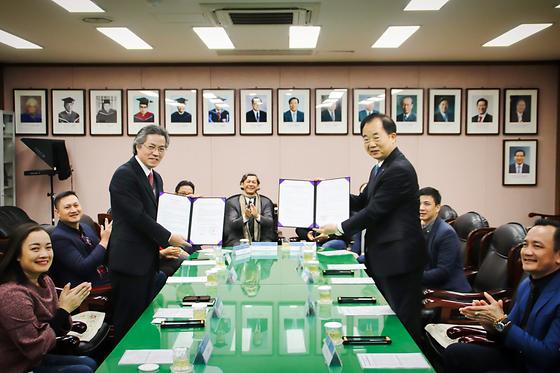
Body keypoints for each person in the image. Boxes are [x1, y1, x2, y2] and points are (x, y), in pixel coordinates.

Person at [315, 113, 427, 344]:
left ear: (393, 136)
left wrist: (337, 227)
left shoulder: (399, 169)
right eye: (365, 139)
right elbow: (363, 201)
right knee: (390, 319)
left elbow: (374, 212)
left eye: (376, 137)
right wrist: (327, 194)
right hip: (386, 256)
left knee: (403, 320)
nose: (371, 144)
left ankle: (413, 365)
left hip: (400, 259)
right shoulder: (380, 168)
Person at [443, 219, 560, 373]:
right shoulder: (527, 283)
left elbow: (547, 357)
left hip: (538, 367)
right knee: (455, 353)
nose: (527, 252)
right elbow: (507, 330)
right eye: (525, 245)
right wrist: (490, 323)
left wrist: (501, 321)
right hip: (516, 358)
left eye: (537, 246)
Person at [108, 125, 188, 341]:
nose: (156, 153)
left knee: (144, 319)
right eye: (151, 147)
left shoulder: (156, 177)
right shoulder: (124, 174)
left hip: (147, 260)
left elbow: (157, 215)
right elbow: (137, 216)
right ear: (137, 146)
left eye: (162, 149)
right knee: (128, 322)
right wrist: (169, 236)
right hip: (128, 262)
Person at [0, 223, 97, 373]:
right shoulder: (11, 296)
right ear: (17, 255)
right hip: (17, 366)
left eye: (48, 247)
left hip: (35, 359)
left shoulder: (45, 280)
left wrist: (64, 309)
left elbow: (56, 328)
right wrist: (64, 310)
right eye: (35, 249)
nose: (44, 254)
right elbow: (35, 346)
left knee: (89, 362)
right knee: (83, 370)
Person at [50, 191, 112, 287]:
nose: (74, 210)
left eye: (76, 205)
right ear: (57, 212)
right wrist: (104, 241)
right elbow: (84, 268)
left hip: (104, 279)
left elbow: (102, 255)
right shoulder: (58, 238)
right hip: (86, 289)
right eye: (67, 207)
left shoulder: (86, 227)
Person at [419, 187, 471, 292]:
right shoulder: (422, 227)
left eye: (427, 204)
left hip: (449, 292)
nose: (421, 208)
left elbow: (442, 273)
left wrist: (411, 277)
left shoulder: (446, 233)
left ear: (438, 208)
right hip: (430, 285)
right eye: (419, 203)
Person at [223, 173, 275, 247]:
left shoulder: (266, 201)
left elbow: (270, 223)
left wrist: (257, 216)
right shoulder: (232, 202)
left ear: (258, 186)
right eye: (248, 181)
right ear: (242, 184)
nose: (251, 184)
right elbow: (231, 225)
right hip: (237, 240)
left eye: (254, 182)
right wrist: (245, 217)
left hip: (261, 240)